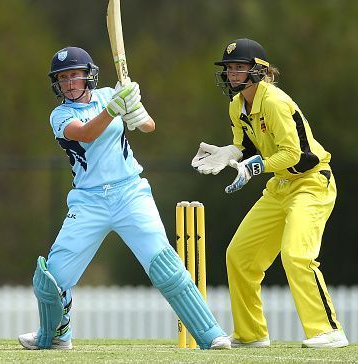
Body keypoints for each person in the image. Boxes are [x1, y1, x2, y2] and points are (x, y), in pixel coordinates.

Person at [18, 46, 230, 350]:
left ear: (88, 76)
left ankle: (211, 335)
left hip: (130, 192)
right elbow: (86, 133)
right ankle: (55, 335)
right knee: (52, 278)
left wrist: (134, 108)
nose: (69, 83)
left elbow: (148, 126)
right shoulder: (60, 115)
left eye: (75, 75)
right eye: (63, 78)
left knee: (164, 265)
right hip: (88, 201)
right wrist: (114, 109)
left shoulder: (108, 95)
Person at [191, 38, 349, 348]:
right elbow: (246, 146)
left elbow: (292, 154)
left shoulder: (275, 102)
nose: (232, 75)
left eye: (239, 69)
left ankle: (329, 331)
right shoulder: (236, 106)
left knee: (296, 254)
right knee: (240, 256)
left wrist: (252, 168)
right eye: (229, 69)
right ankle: (251, 335)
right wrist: (229, 154)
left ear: (259, 71)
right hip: (280, 186)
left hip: (312, 183)